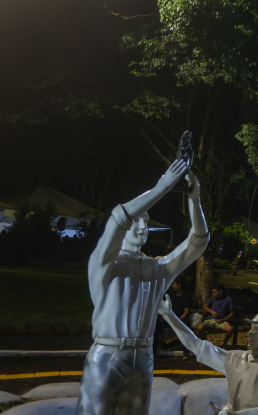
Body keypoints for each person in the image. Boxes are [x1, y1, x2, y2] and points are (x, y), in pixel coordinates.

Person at [77, 160, 209, 415]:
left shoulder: (157, 268)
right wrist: (163, 187)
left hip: (144, 357)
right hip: (107, 354)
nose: (142, 227)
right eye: (137, 221)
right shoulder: (104, 262)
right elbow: (119, 218)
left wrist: (195, 200)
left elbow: (199, 241)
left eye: (146, 222)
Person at [159, 300, 258, 415]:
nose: (249, 333)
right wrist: (169, 315)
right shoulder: (234, 359)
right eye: (250, 328)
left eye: (256, 330)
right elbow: (196, 346)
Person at [154, 280, 193, 357]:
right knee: (157, 325)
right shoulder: (171, 296)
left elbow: (186, 311)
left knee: (185, 327)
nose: (173, 285)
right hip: (170, 319)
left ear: (179, 285)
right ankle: (154, 351)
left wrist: (178, 320)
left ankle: (186, 352)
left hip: (180, 319)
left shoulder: (187, 296)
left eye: (174, 284)